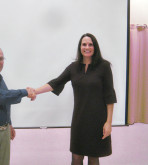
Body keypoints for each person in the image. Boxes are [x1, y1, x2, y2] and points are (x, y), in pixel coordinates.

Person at [33, 33, 117, 165]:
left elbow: (109, 95)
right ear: (80, 47)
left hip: (98, 120)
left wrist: (108, 123)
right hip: (79, 119)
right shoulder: (74, 67)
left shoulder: (104, 66)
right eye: (84, 44)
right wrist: (35, 91)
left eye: (90, 44)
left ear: (95, 47)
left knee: (93, 158)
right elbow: (55, 82)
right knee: (76, 157)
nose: (87, 47)